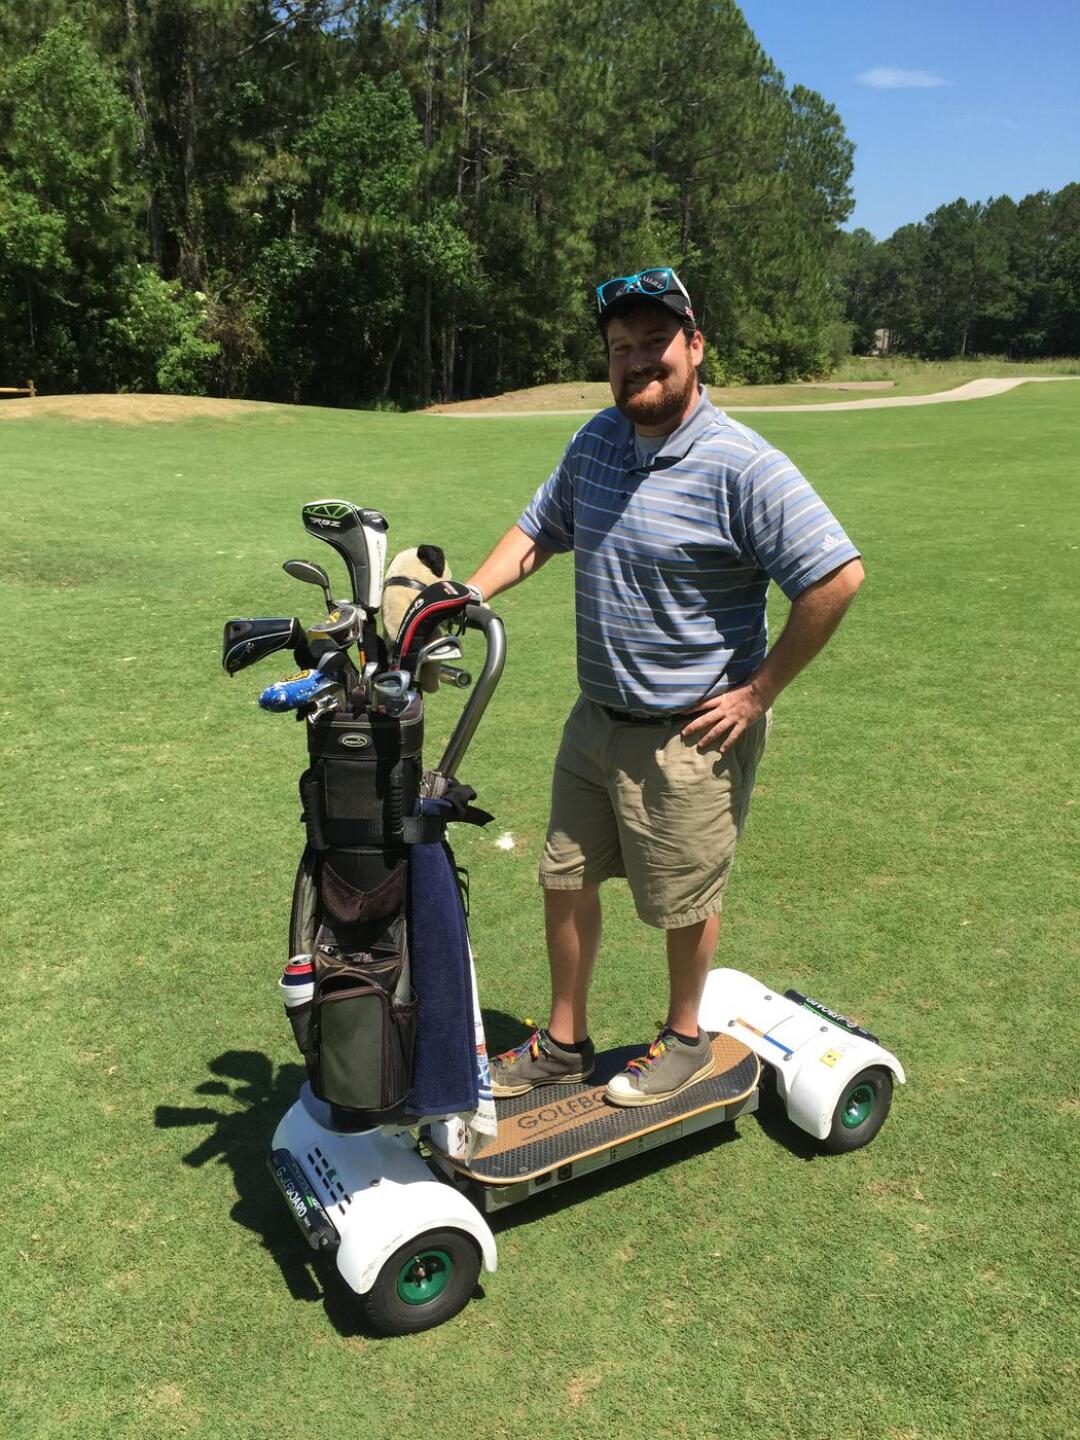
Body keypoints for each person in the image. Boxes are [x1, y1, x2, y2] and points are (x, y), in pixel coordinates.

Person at [466, 266, 865, 1107]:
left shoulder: (742, 464)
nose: (639, 360)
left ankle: (684, 1037)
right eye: (622, 347)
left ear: (695, 346)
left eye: (656, 341)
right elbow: (539, 530)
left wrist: (757, 693)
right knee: (565, 877)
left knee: (684, 899)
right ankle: (564, 1044)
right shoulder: (597, 441)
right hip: (595, 720)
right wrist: (467, 594)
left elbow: (836, 576)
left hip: (692, 733)